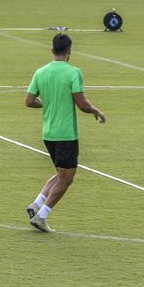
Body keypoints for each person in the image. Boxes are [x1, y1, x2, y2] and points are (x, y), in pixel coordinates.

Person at [25, 33, 106, 232]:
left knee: (61, 173)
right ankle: (41, 216)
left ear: (52, 50)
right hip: (66, 134)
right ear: (69, 51)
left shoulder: (40, 72)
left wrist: (47, 104)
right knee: (67, 178)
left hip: (48, 134)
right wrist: (96, 111)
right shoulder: (73, 72)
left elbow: (29, 101)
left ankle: (36, 204)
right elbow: (82, 103)